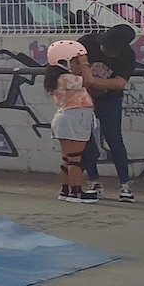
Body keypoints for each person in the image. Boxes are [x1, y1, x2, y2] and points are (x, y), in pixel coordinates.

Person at [78, 23, 137, 202]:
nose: (105, 50)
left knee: (114, 138)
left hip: (110, 99)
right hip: (83, 97)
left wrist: (92, 82)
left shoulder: (127, 55)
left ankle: (124, 184)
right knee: (85, 137)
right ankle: (94, 180)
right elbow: (73, 69)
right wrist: (89, 84)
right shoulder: (87, 42)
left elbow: (119, 83)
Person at [44, 41, 98, 203]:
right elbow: (89, 81)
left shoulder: (58, 77)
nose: (79, 65)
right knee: (75, 158)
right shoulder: (65, 78)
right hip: (75, 117)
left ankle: (66, 189)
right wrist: (85, 63)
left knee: (68, 158)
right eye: (74, 61)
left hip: (67, 118)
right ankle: (76, 192)